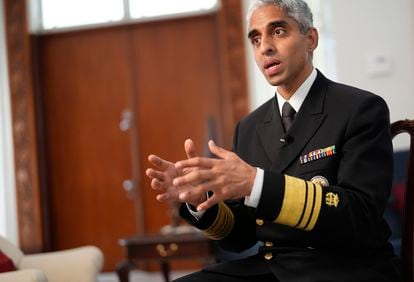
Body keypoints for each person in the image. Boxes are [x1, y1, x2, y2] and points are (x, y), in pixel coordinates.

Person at [145, 0, 400, 281]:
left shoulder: (359, 108)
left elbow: (359, 216)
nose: (264, 46)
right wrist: (200, 203)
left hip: (345, 267)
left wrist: (257, 183)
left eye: (278, 31)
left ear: (311, 39)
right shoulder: (249, 128)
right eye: (256, 38)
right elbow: (240, 238)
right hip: (273, 267)